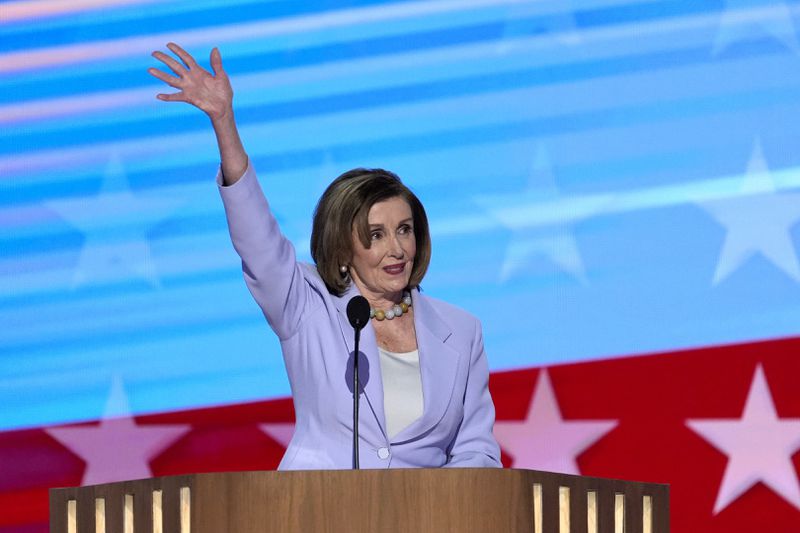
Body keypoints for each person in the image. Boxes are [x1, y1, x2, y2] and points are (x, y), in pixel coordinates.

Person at [148, 43, 501, 469]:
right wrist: (225, 123)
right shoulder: (306, 306)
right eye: (375, 234)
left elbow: (476, 450)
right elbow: (257, 241)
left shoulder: (461, 331)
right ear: (343, 248)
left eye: (404, 230)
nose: (397, 248)